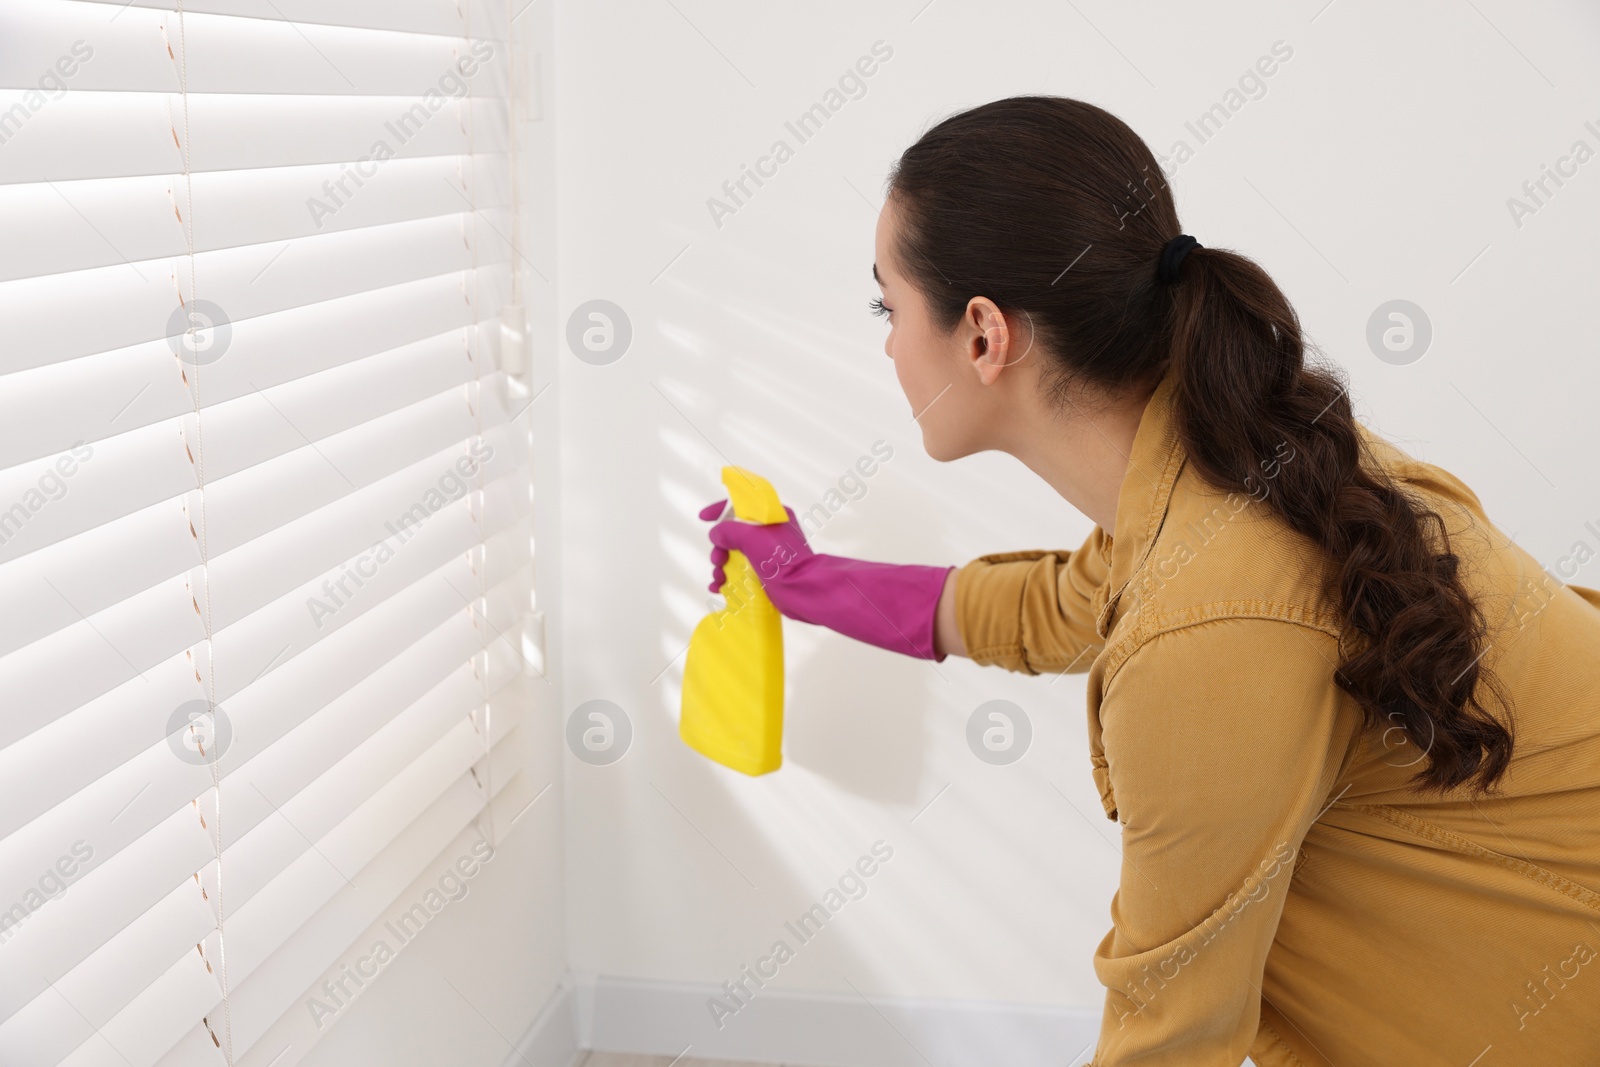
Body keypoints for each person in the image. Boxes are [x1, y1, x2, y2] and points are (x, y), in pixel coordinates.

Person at [698, 97, 1600, 1066]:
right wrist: (804, 579)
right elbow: (1050, 605)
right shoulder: (1232, 460)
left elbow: (1171, 1036)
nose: (884, 343)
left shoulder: (1211, 612)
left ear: (982, 334)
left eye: (888, 305)